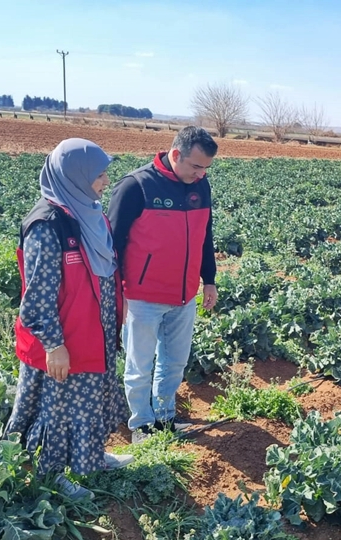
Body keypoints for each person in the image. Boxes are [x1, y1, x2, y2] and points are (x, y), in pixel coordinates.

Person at [6, 138, 132, 501]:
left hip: (94, 330)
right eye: (100, 175)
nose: (106, 182)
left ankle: (91, 456)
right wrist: (54, 345)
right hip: (62, 340)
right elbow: (37, 295)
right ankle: (49, 476)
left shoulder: (91, 214)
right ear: (75, 176)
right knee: (56, 408)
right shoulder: (47, 226)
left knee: (91, 399)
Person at [108, 126, 219, 444]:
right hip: (142, 296)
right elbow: (112, 245)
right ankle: (141, 424)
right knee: (140, 364)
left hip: (184, 294)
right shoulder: (135, 187)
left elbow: (204, 236)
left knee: (175, 360)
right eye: (196, 166)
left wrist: (208, 279)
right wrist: (119, 294)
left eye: (206, 168)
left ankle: (165, 417)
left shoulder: (201, 185)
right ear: (175, 155)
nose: (200, 174)